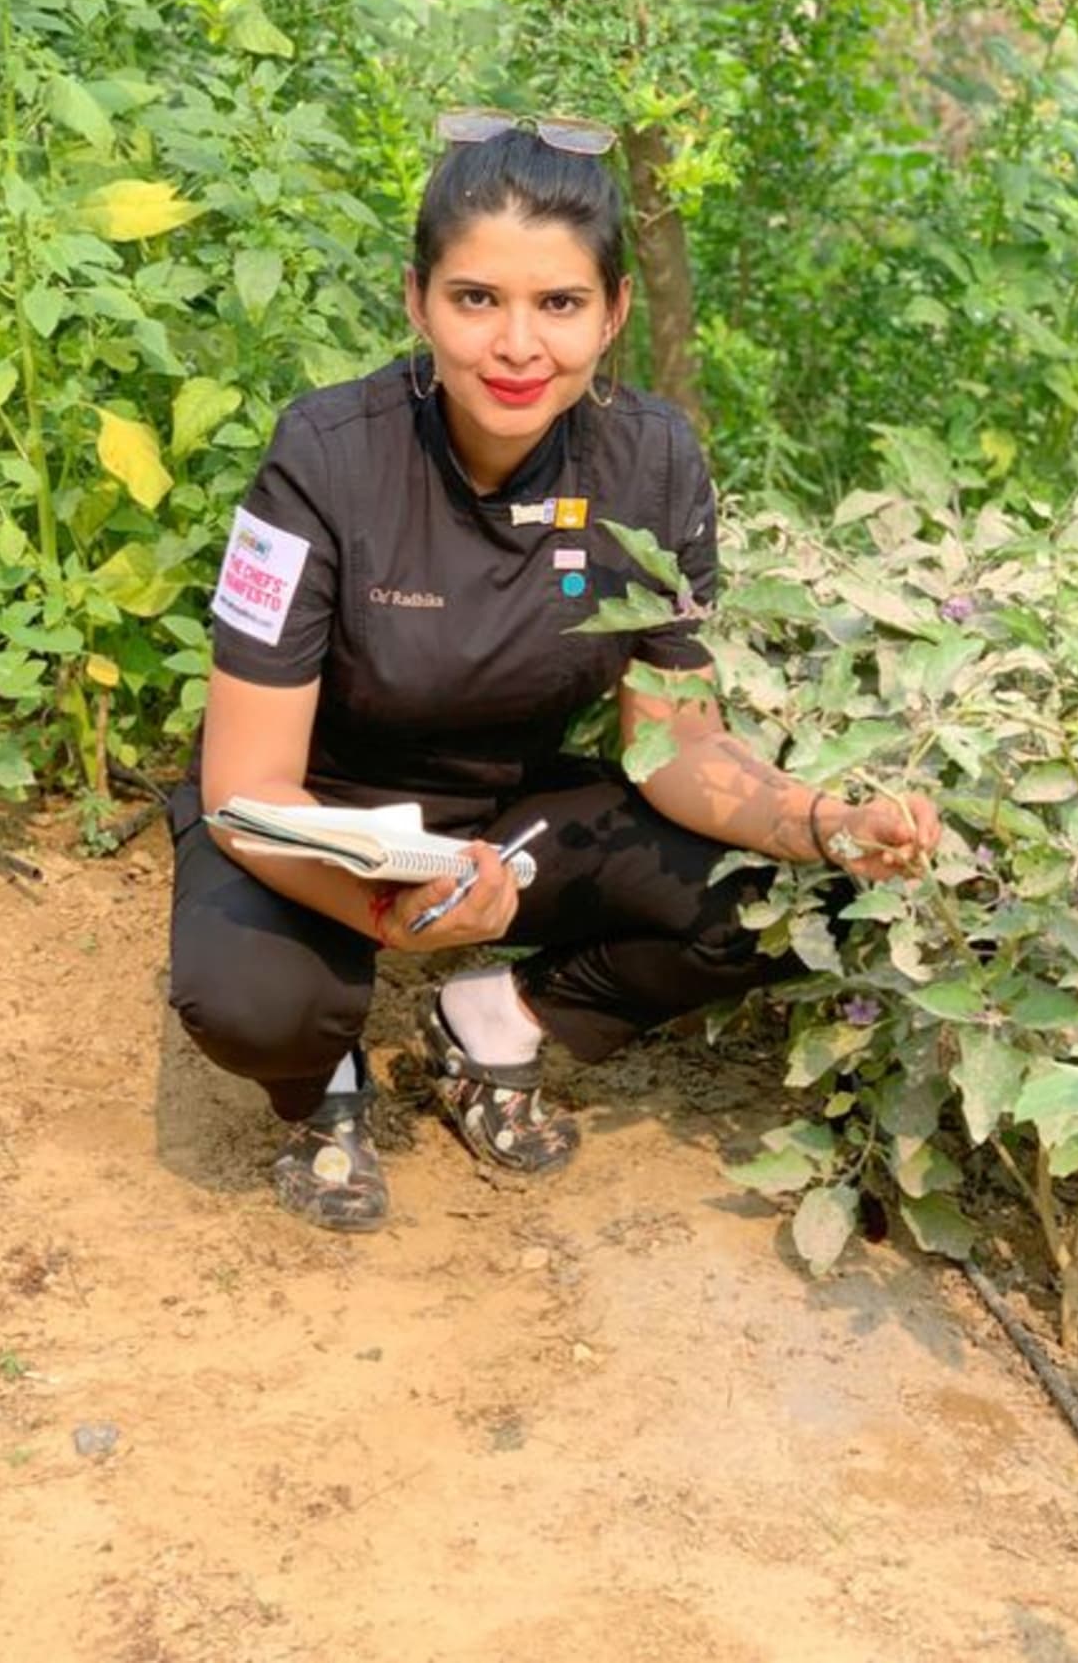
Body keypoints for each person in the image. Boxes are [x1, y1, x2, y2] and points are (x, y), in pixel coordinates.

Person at [167, 113, 940, 1233]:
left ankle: (496, 1021)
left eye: (560, 304)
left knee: (795, 895)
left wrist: (826, 819)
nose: (517, 345)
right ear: (417, 300)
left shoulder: (653, 459)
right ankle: (320, 1077)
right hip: (314, 817)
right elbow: (245, 788)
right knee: (253, 1001)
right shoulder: (325, 457)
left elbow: (676, 739)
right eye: (476, 299)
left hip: (512, 824)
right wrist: (393, 912)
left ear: (614, 310)